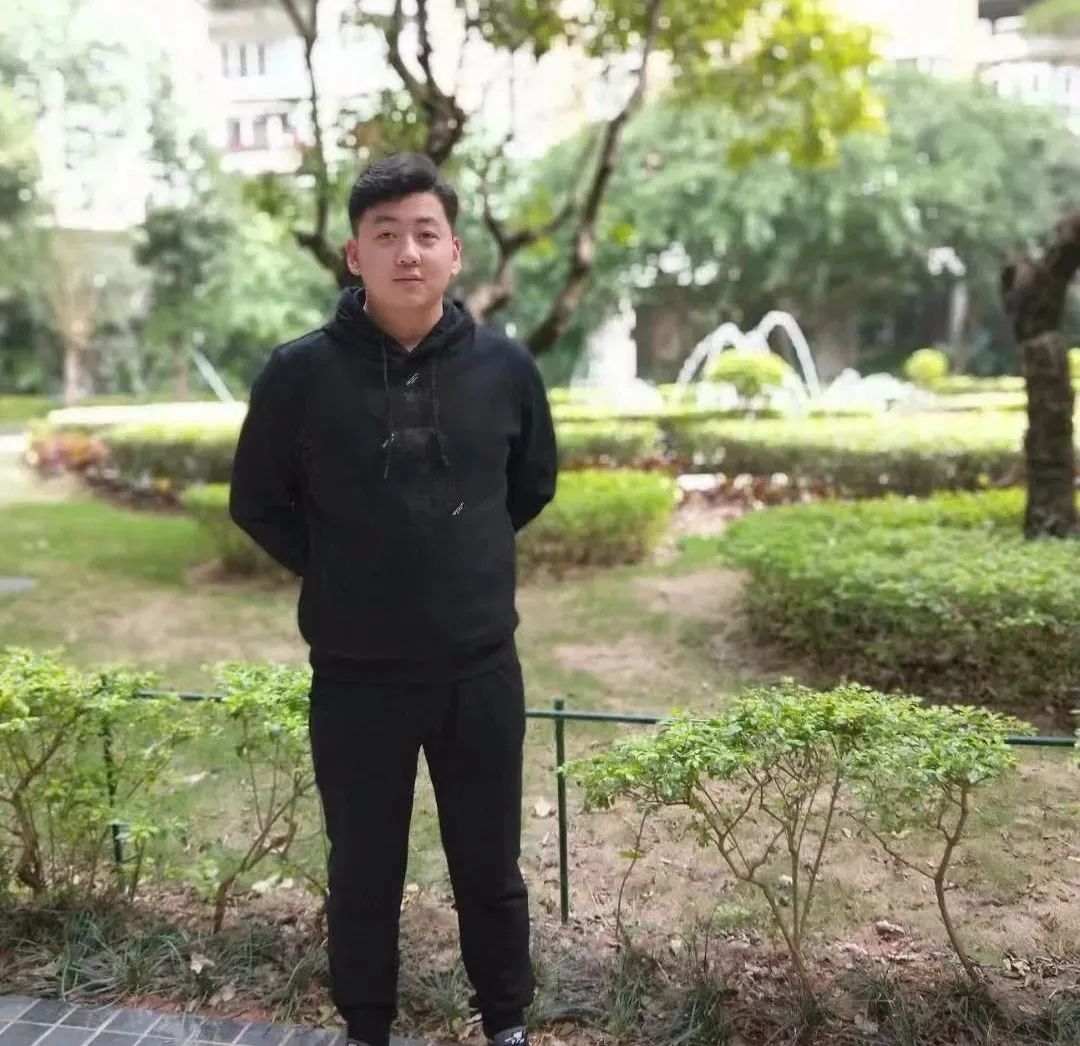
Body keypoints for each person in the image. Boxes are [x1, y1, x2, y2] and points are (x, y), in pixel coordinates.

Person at [229, 152, 558, 1046]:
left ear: (455, 253)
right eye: (386, 235)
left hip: (478, 669)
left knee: (489, 865)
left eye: (425, 234)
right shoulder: (298, 374)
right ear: (354, 255)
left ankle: (506, 1021)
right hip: (355, 675)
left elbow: (530, 484)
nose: (407, 252)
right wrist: (342, 568)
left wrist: (459, 559)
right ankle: (365, 1025)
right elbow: (256, 501)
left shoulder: (506, 369)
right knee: (363, 869)